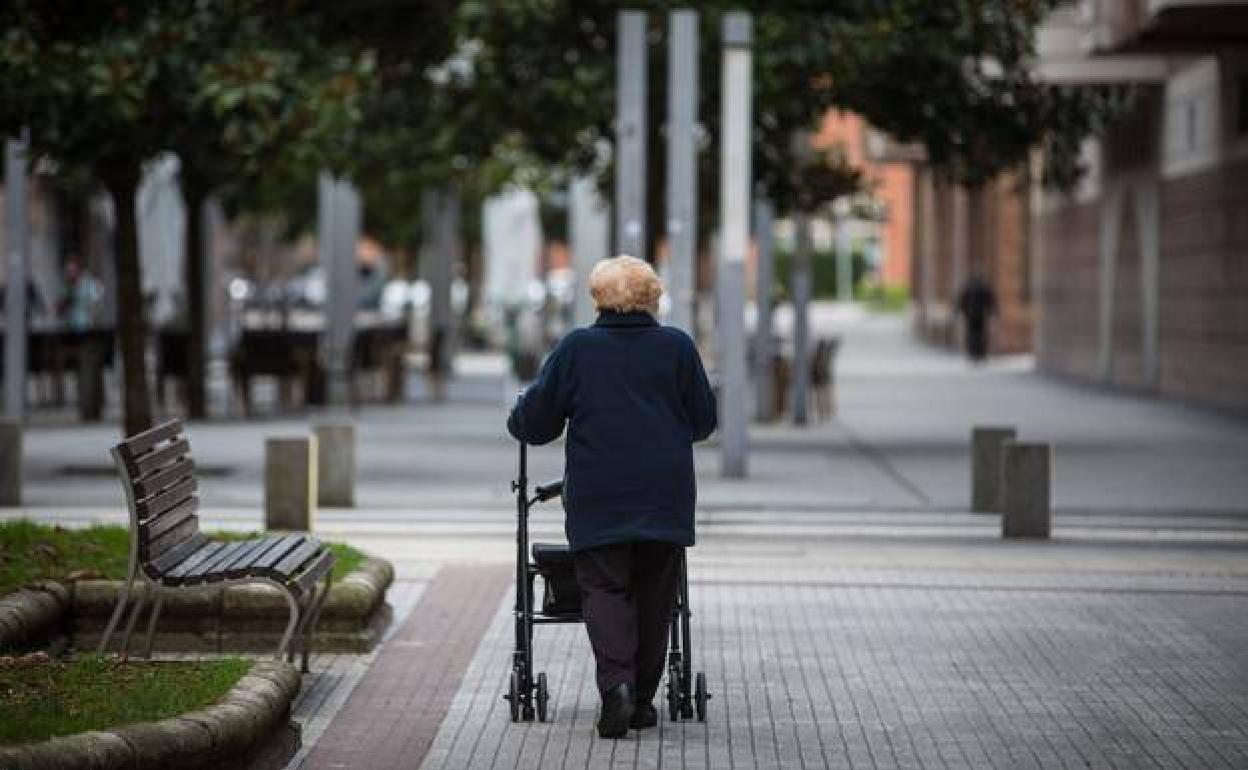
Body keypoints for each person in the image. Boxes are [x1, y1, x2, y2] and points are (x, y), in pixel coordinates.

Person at [506, 255, 717, 738]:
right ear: (653, 298)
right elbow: (704, 421)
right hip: (664, 494)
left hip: (599, 494)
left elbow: (536, 425)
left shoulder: (578, 348)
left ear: (597, 298)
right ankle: (640, 701)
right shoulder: (677, 347)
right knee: (655, 595)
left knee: (604, 588)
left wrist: (520, 414)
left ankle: (617, 686)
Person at [956, 273, 997, 362]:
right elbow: (990, 300)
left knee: (972, 333)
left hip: (970, 314)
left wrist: (962, 311)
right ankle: (980, 352)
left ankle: (973, 351)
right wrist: (992, 311)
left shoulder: (968, 287)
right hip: (981, 314)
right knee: (981, 333)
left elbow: (962, 301)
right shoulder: (984, 287)